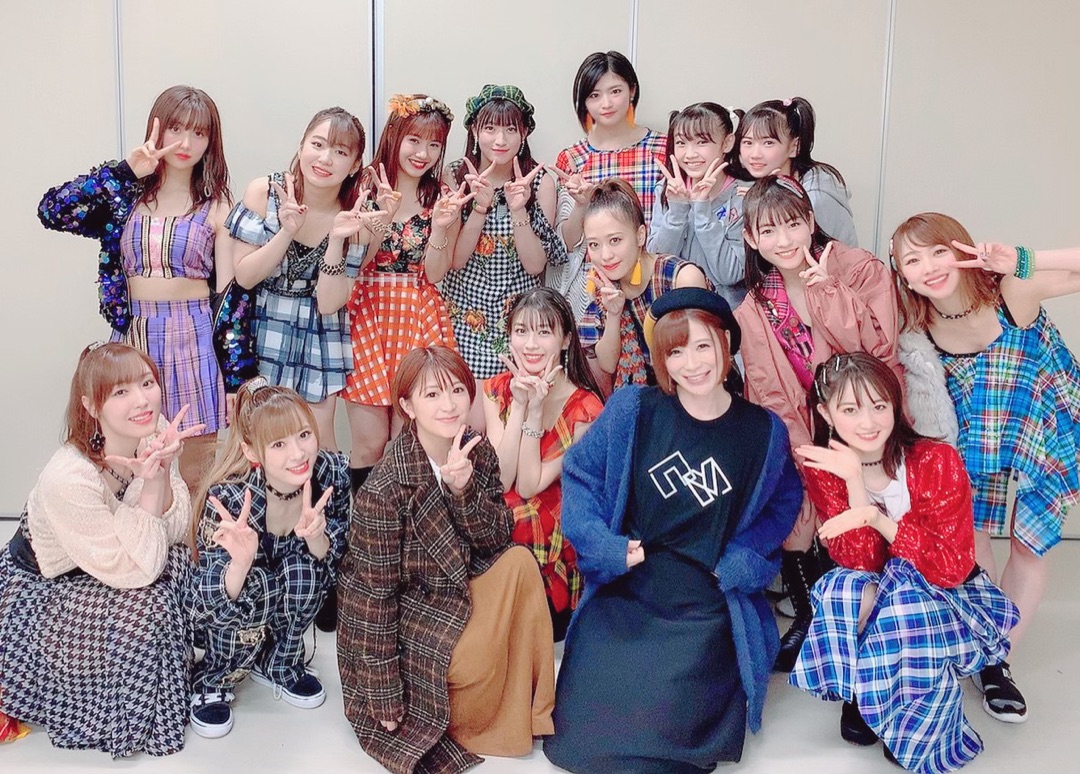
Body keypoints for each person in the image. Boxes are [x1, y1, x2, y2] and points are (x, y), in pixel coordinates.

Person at [544, 289, 802, 773]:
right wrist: (603, 546)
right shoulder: (635, 409)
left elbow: (784, 502)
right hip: (631, 585)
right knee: (582, 732)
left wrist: (746, 559)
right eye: (676, 351)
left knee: (672, 730)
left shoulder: (763, 431)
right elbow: (580, 474)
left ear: (727, 344)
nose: (692, 364)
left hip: (706, 599)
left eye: (703, 346)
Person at [891, 214, 1080, 722]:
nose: (929, 267)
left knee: (1027, 543)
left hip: (1041, 423)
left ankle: (999, 659)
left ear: (963, 251)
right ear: (902, 274)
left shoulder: (1010, 291)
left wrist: (1023, 259)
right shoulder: (917, 327)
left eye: (938, 251)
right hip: (977, 434)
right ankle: (986, 647)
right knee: (972, 539)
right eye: (913, 260)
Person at [790, 352, 1019, 773]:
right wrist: (854, 481)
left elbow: (950, 567)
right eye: (850, 410)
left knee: (904, 602)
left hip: (947, 594)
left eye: (879, 406)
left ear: (896, 405)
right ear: (825, 413)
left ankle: (918, 719)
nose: (868, 422)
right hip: (883, 589)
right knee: (842, 589)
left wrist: (878, 519)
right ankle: (868, 693)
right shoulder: (828, 469)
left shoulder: (937, 460)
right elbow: (859, 561)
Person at [337, 346, 554, 774]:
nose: (449, 404)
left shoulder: (475, 449)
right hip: (414, 618)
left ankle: (534, 714)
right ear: (407, 406)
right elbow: (372, 599)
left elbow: (496, 538)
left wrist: (463, 493)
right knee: (471, 647)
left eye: (457, 390)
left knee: (520, 563)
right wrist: (383, 694)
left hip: (460, 587)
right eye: (432, 394)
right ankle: (461, 711)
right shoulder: (383, 490)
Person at [734, 174, 899, 672]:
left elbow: (878, 351)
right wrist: (803, 453)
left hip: (867, 416)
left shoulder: (858, 269)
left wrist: (828, 292)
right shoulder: (754, 305)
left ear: (810, 221)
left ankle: (880, 621)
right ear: (751, 239)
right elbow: (767, 389)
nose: (783, 241)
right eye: (768, 231)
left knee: (872, 514)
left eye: (792, 224)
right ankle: (813, 615)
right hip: (806, 424)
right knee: (794, 502)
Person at [0, 342, 196, 757]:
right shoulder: (68, 478)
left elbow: (178, 525)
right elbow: (140, 568)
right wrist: (151, 487)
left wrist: (158, 477)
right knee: (150, 600)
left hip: (110, 555)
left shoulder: (152, 428)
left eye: (147, 383)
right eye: (121, 392)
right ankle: (107, 712)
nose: (142, 400)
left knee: (176, 563)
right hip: (45, 583)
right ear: (91, 405)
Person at [38, 85, 235, 487]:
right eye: (176, 129)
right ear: (157, 129)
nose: (185, 143)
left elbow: (232, 301)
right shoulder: (123, 195)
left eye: (199, 133)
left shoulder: (216, 206)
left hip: (194, 335)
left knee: (195, 468)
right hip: (134, 337)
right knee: (126, 462)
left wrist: (235, 376)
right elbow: (53, 210)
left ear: (211, 142)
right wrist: (125, 171)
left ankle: (192, 531)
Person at [188, 377, 350, 739]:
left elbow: (335, 565)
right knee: (257, 580)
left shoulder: (330, 473)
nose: (298, 453)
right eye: (278, 444)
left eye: (304, 435)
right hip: (225, 607)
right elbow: (206, 601)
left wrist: (317, 537)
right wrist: (240, 563)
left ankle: (280, 662)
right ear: (251, 451)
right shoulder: (229, 497)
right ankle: (214, 678)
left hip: (287, 593)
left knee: (304, 571)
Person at [341, 94, 473, 493]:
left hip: (419, 314)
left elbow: (435, 272)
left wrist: (441, 227)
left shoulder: (442, 194)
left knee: (410, 440)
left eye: (434, 144)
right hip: (368, 314)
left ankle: (407, 524)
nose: (423, 153)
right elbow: (356, 265)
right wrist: (381, 219)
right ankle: (366, 523)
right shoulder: (363, 186)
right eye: (414, 140)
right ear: (395, 136)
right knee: (369, 443)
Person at [227, 107, 368, 453]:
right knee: (255, 442)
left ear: (354, 165)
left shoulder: (354, 217)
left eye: (340, 151)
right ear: (302, 145)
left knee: (318, 444)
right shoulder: (265, 192)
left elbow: (329, 303)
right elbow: (245, 276)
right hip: (261, 329)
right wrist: (286, 231)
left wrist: (336, 240)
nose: (325, 158)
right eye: (317, 144)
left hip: (319, 334)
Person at [482, 287, 603, 639]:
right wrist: (519, 403)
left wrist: (535, 412)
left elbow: (529, 485)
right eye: (521, 331)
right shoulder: (496, 390)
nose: (530, 344)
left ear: (565, 339)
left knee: (523, 513)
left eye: (544, 332)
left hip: (554, 526)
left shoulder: (586, 409)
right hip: (508, 515)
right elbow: (501, 481)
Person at [443, 85, 566, 408]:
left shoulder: (540, 181)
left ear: (524, 133)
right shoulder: (456, 176)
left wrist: (518, 209)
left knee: (516, 416)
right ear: (474, 130)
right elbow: (455, 260)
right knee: (468, 418)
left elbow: (535, 265)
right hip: (465, 317)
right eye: (490, 128)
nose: (500, 140)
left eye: (511, 129)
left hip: (520, 323)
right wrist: (480, 207)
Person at [550, 51, 668, 318]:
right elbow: (568, 243)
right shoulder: (572, 159)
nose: (606, 103)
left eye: (615, 91)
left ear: (632, 91)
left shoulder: (662, 149)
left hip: (654, 281)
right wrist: (581, 205)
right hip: (595, 290)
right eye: (594, 95)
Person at [578, 178, 709, 392]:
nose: (605, 255)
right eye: (594, 244)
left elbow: (703, 354)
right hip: (644, 398)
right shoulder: (604, 289)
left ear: (640, 235)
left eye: (615, 240)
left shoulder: (681, 278)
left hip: (696, 390)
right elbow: (607, 365)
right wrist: (613, 314)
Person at [648, 101, 746, 306]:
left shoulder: (743, 195)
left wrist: (702, 210)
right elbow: (656, 262)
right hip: (675, 308)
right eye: (681, 143)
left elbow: (731, 273)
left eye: (702, 142)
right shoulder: (667, 189)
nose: (690, 154)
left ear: (727, 143)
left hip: (726, 312)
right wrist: (677, 211)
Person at [727, 97, 858, 248]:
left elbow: (808, 254)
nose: (755, 154)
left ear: (794, 147)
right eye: (748, 142)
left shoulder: (816, 196)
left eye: (768, 143)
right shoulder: (763, 184)